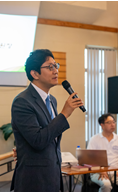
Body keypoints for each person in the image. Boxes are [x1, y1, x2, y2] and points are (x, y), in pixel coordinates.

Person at [10, 49, 84, 192]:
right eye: (50, 67)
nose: (55, 71)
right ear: (35, 73)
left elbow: (51, 138)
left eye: (56, 65)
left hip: (52, 175)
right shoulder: (22, 101)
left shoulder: (52, 100)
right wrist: (64, 114)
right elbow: (38, 140)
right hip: (34, 180)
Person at [87, 114, 118, 192]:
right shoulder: (94, 139)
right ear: (102, 125)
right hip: (98, 172)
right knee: (106, 185)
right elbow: (90, 159)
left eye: (113, 122)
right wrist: (101, 170)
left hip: (116, 172)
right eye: (109, 122)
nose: (112, 125)